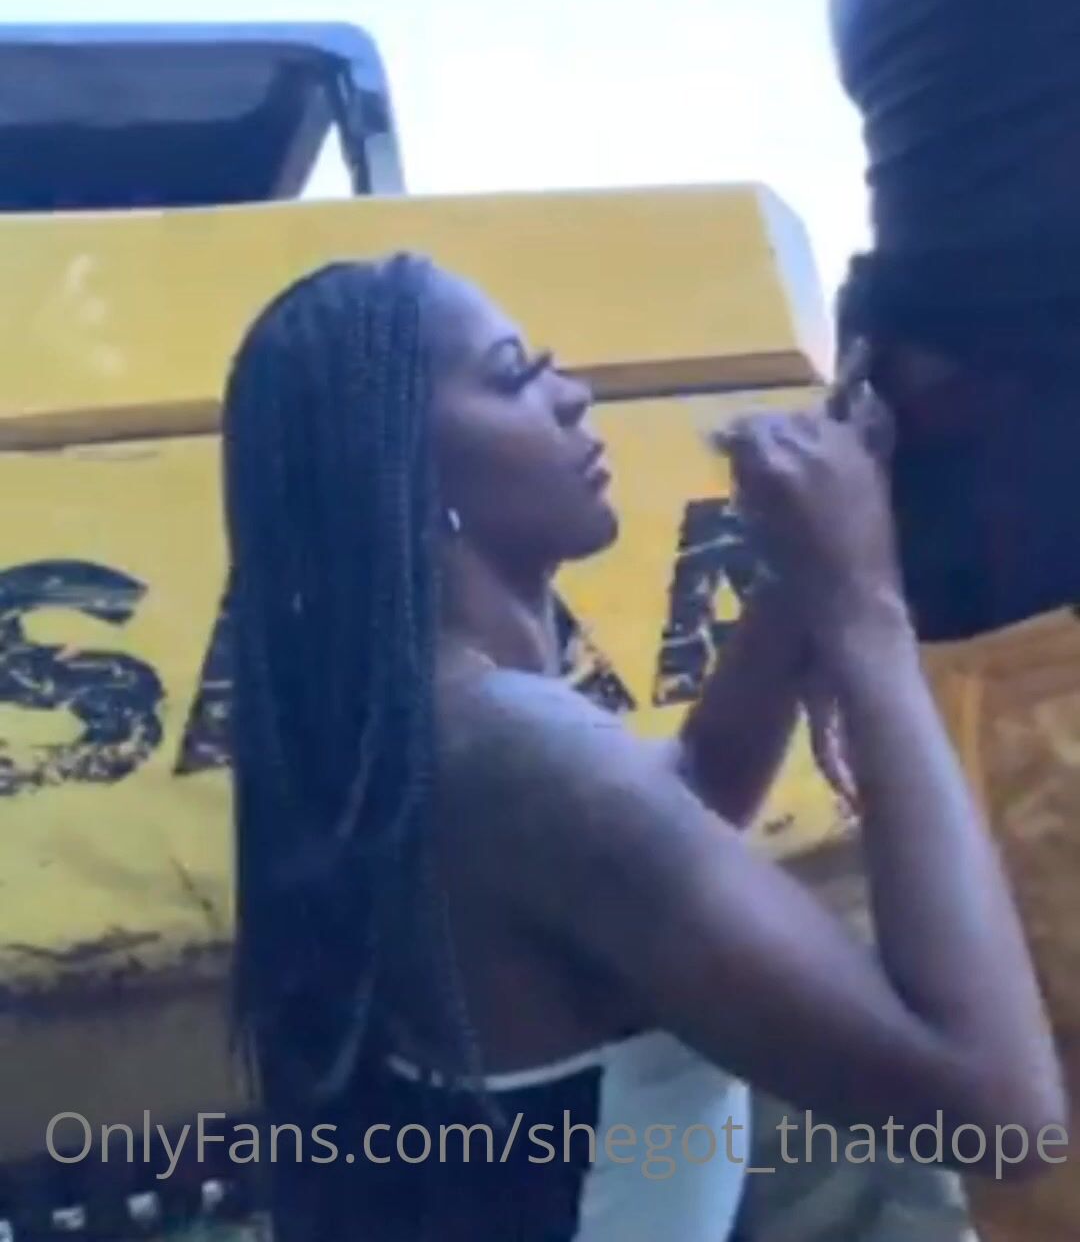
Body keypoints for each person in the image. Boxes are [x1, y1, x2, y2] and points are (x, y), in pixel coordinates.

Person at [221, 254, 1064, 1242]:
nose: (572, 395)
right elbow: (999, 1113)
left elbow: (684, 799)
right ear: (403, 478)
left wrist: (805, 568)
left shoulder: (436, 725)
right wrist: (861, 608)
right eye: (512, 378)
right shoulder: (527, 761)